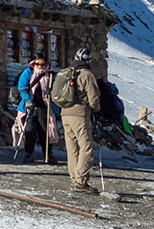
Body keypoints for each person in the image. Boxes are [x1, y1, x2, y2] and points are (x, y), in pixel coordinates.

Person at [60, 48, 101, 194]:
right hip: (79, 114)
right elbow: (93, 97)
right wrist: (96, 110)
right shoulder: (86, 75)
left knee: (72, 148)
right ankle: (81, 180)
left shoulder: (68, 72)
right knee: (86, 148)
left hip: (65, 113)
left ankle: (74, 178)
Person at [17, 57, 58, 164]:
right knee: (30, 130)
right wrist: (27, 101)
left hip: (44, 106)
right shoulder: (28, 73)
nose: (40, 67)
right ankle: (29, 153)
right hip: (30, 106)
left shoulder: (51, 75)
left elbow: (57, 89)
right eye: (37, 64)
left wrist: (52, 94)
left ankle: (48, 153)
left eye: (42, 64)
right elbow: (22, 87)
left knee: (45, 131)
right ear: (33, 63)